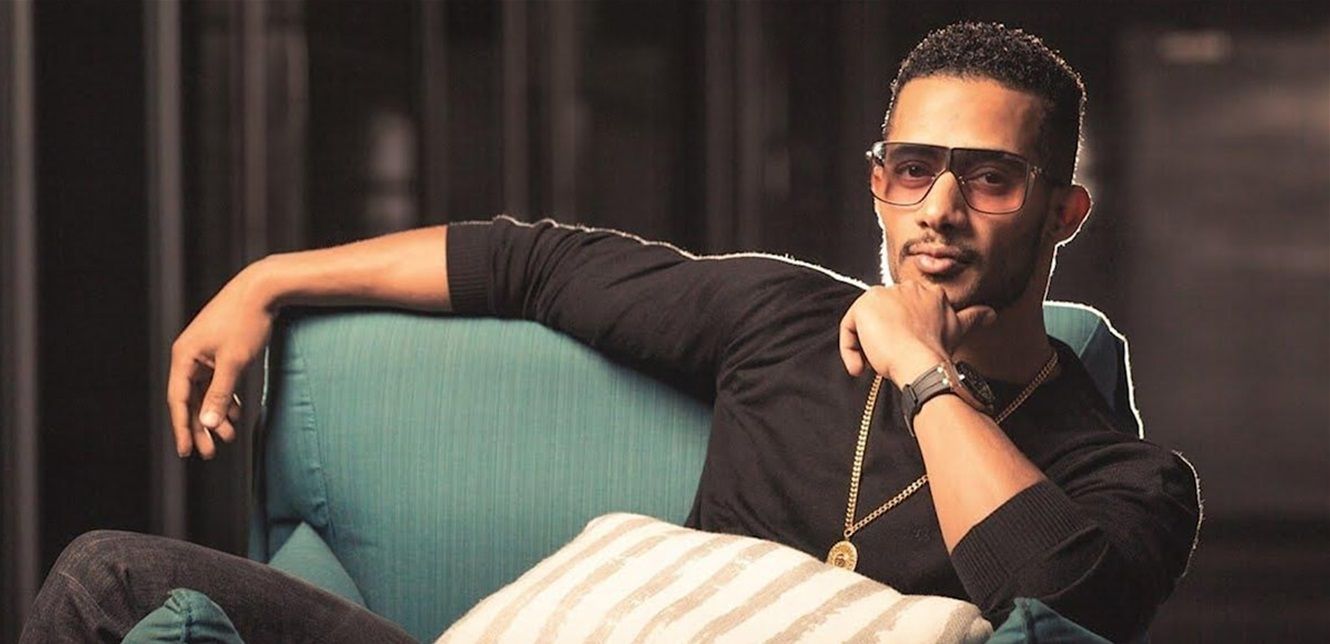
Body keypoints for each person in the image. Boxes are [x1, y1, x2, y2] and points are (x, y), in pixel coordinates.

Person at [22, 22, 1200, 643]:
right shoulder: (779, 316)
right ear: (876, 183)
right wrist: (267, 278)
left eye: (987, 176)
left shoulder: (1124, 476)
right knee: (106, 576)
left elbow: (1059, 607)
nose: (937, 207)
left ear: (1062, 210)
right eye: (910, 168)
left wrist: (920, 368)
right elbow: (527, 263)